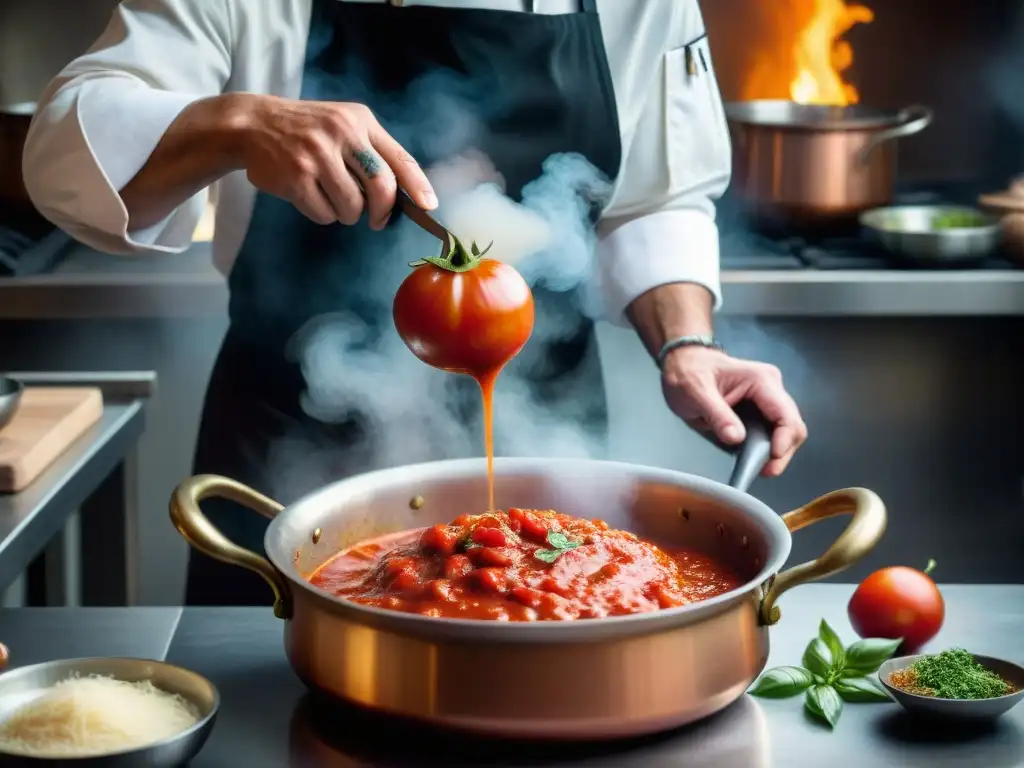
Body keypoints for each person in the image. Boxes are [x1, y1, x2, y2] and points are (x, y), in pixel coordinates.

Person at [23, 0, 808, 606]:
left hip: (549, 456)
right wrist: (240, 121)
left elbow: (656, 197)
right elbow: (62, 148)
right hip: (290, 459)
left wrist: (686, 346)